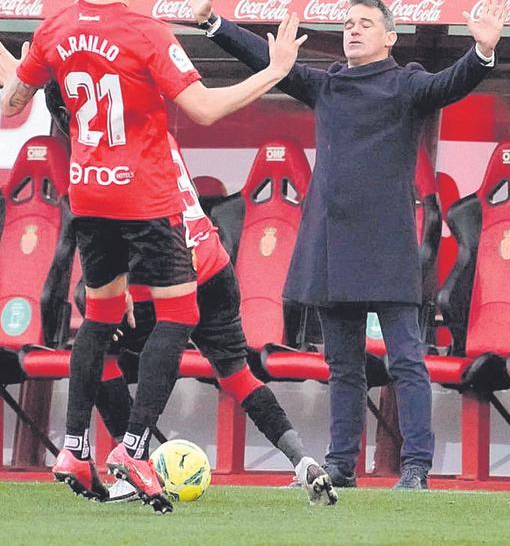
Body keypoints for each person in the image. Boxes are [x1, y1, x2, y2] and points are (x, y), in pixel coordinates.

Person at [0, 0, 305, 513]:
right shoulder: (147, 32)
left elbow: (14, 103)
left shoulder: (56, 26)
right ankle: (130, 447)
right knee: (180, 312)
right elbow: (203, 110)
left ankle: (74, 447)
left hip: (88, 196)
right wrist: (274, 72)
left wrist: (12, 81)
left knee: (98, 318)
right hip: (144, 198)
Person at [185, 0, 505, 489]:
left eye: (364, 23)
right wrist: (212, 23)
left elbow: (452, 85)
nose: (352, 30)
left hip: (387, 245)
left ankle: (416, 467)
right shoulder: (327, 84)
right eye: (348, 23)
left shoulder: (407, 84)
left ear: (389, 36)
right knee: (343, 367)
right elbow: (271, 61)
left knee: (406, 361)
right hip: (330, 243)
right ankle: (340, 466)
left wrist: (482, 53)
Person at [89, 133, 337, 506]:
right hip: (213, 263)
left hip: (167, 274)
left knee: (98, 352)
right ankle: (302, 461)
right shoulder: (161, 133)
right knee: (237, 374)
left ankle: (132, 464)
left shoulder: (112, 148)